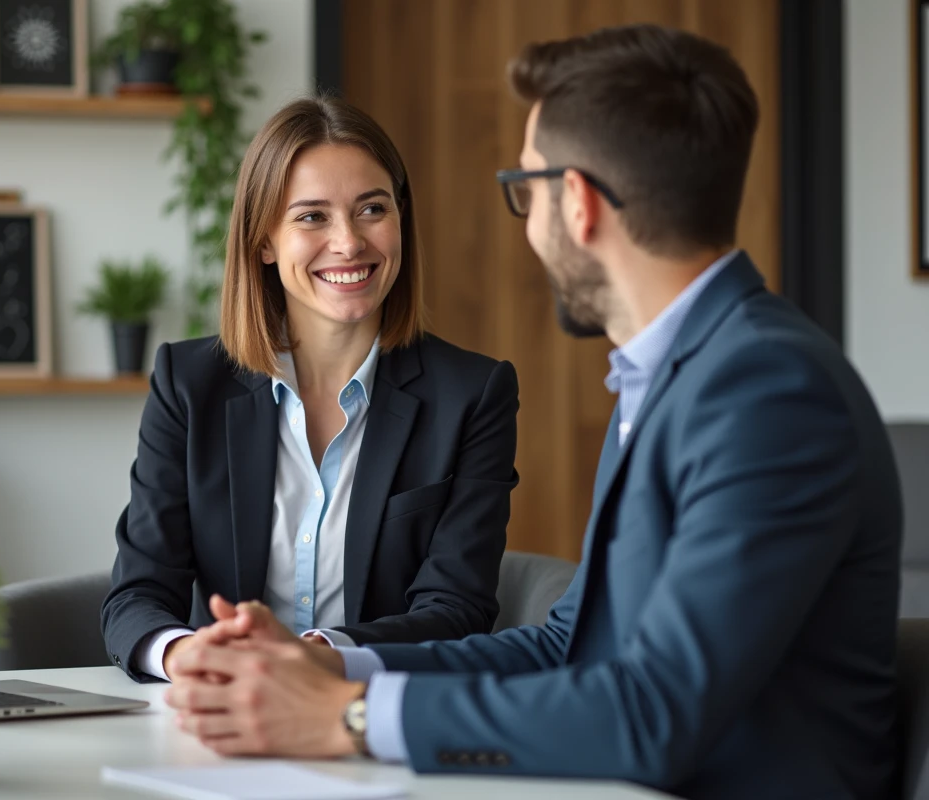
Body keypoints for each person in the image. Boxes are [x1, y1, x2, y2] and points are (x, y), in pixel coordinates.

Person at [163, 24, 902, 799]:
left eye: (527, 189)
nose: (530, 223)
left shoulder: (764, 393)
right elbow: (566, 643)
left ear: (576, 203)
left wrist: (348, 716)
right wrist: (333, 664)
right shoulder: (674, 376)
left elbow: (655, 716)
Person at [100, 97, 520, 684]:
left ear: (401, 220)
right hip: (215, 710)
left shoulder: (473, 394)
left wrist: (315, 652)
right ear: (264, 240)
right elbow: (138, 595)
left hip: (372, 713)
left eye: (372, 209)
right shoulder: (187, 384)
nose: (348, 243)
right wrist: (184, 653)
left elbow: (457, 610)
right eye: (312, 216)